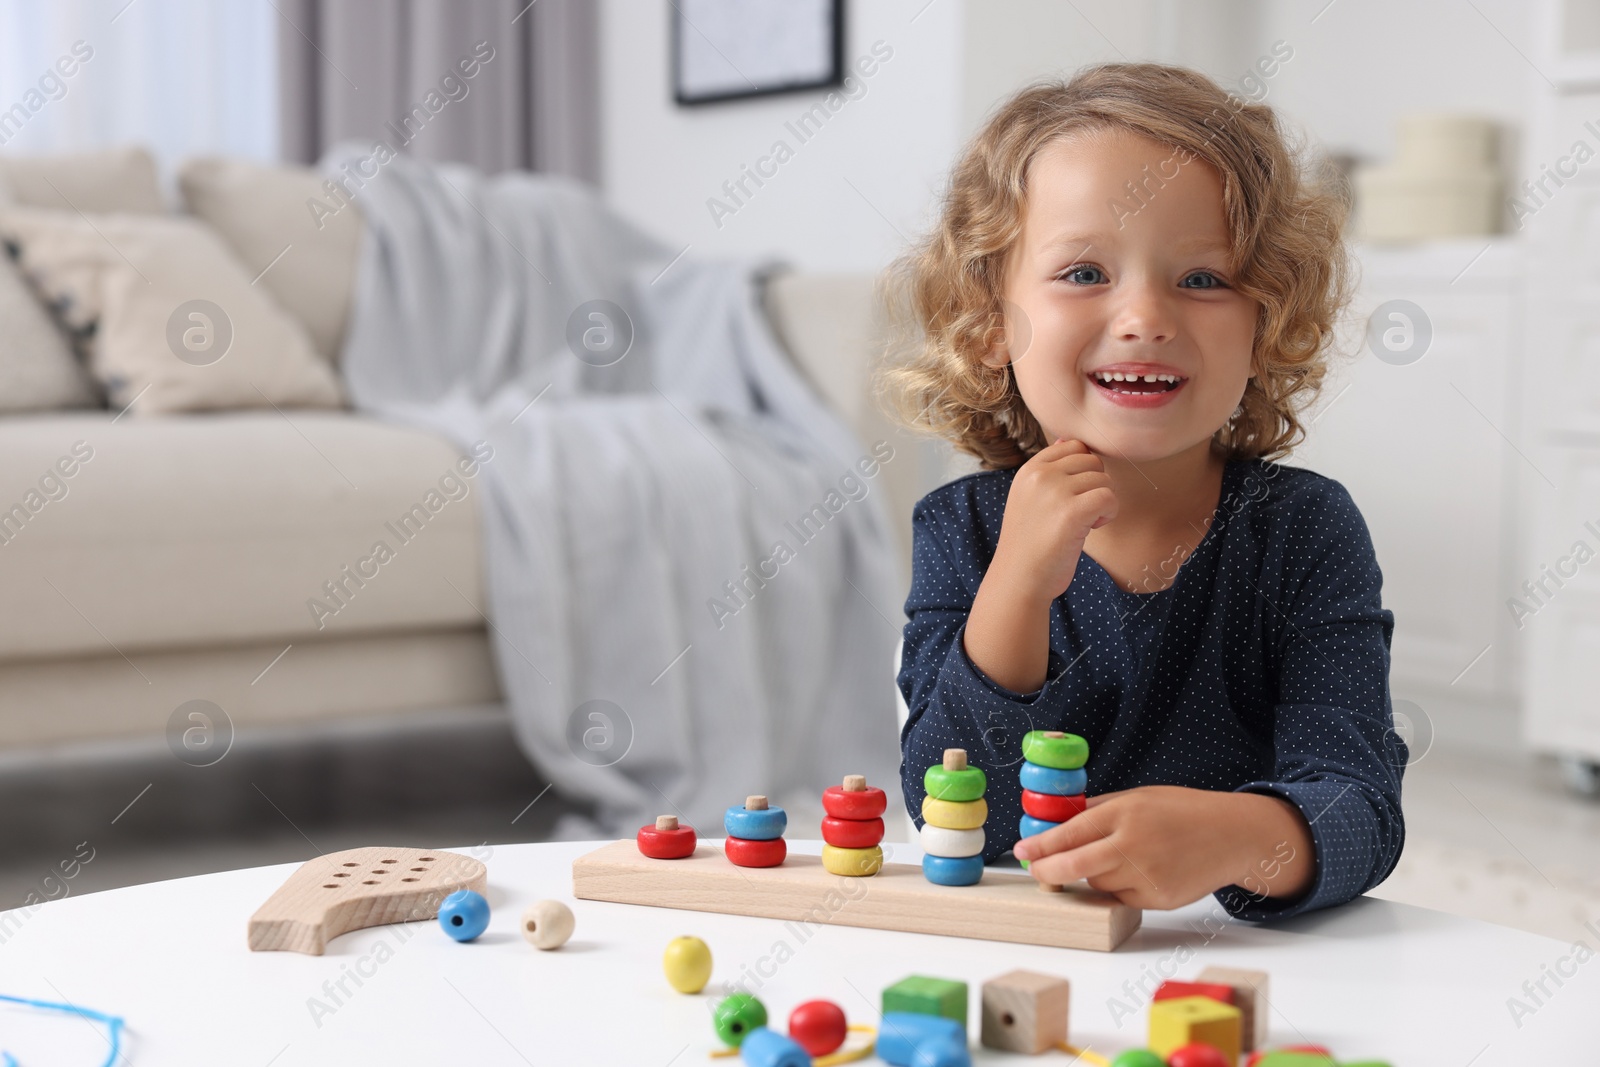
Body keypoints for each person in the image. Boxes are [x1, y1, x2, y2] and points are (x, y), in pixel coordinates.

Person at [878, 62, 1405, 920]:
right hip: (1026, 943)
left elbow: (1362, 808)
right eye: (1084, 272)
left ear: (1266, 323)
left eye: (1203, 278)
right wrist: (1016, 583)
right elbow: (951, 812)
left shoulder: (1305, 529)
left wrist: (1237, 833)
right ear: (987, 324)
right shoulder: (964, 528)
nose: (1145, 316)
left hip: (1242, 960)